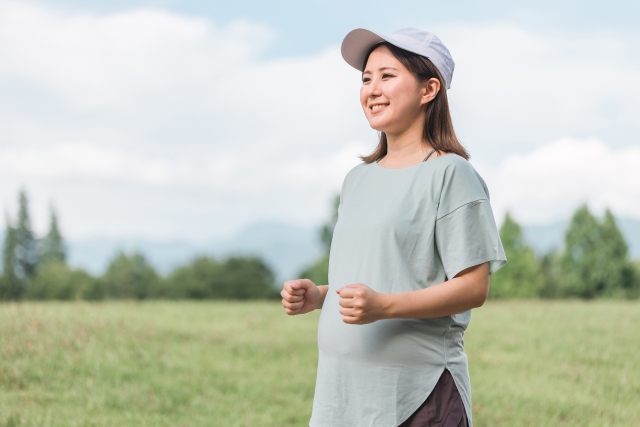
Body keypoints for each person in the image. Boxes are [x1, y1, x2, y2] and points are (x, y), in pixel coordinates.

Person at [281, 27, 507, 427]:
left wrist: (384, 307)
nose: (372, 89)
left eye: (387, 76)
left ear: (428, 89)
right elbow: (384, 272)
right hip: (343, 398)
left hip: (417, 397)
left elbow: (474, 287)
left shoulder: (451, 174)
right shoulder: (358, 179)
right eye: (366, 78)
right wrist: (320, 296)